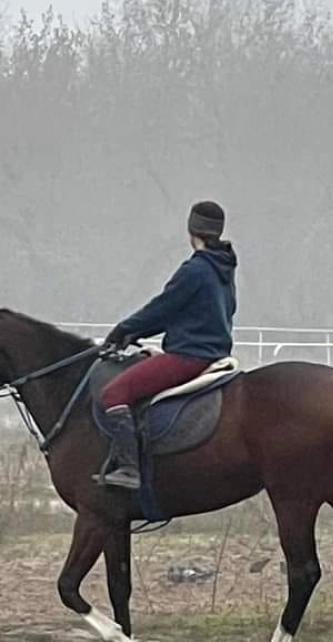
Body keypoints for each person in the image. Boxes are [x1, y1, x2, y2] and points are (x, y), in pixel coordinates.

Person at [95, 200, 238, 490]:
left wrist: (123, 330)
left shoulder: (195, 269)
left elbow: (163, 308)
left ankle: (129, 469)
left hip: (188, 356)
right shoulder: (224, 269)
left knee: (114, 394)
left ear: (191, 230)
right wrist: (137, 335)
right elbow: (186, 313)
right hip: (213, 353)